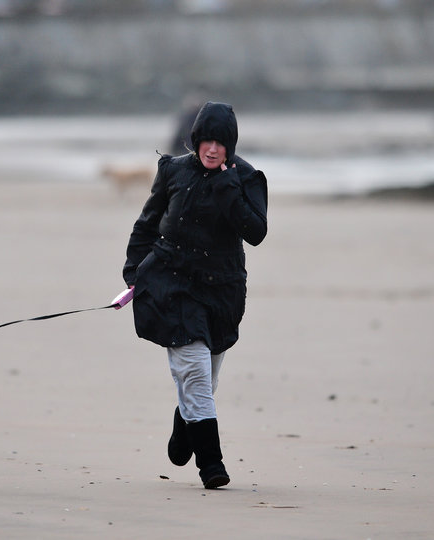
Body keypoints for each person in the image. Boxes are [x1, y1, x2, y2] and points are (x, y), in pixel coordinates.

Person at [121, 101, 268, 489]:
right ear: (196, 140)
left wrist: (227, 189)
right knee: (197, 374)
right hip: (172, 283)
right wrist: (135, 272)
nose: (212, 148)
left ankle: (185, 423)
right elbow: (147, 224)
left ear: (230, 145)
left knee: (207, 376)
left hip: (222, 288)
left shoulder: (247, 178)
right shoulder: (173, 170)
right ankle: (212, 465)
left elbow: (256, 232)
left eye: (221, 142)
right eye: (206, 140)